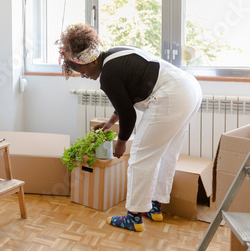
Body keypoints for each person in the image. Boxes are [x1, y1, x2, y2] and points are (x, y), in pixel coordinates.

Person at [57, 23, 202, 232]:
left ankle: (133, 217)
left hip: (171, 95)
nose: (82, 76)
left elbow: (129, 113)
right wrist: (110, 123)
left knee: (139, 158)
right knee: (167, 154)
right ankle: (155, 206)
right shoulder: (115, 54)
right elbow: (125, 100)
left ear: (90, 60)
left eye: (80, 70)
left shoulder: (107, 77)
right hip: (189, 89)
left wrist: (121, 143)